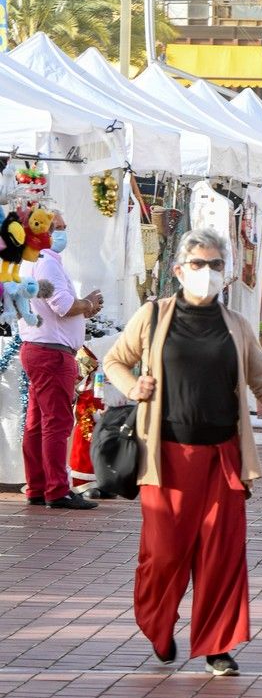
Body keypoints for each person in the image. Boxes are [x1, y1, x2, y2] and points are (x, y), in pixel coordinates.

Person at [103, 228, 262, 675]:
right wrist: (134, 386)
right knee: (164, 555)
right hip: (166, 459)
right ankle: (159, 625)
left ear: (225, 274)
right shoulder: (152, 316)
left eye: (215, 265)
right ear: (178, 270)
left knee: (222, 555)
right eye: (199, 264)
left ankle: (217, 644)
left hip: (223, 457)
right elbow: (114, 360)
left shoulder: (238, 327)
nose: (207, 273)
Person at [18, 210, 104, 510]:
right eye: (57, 227)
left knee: (38, 423)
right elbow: (65, 307)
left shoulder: (31, 261)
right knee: (56, 422)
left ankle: (39, 486)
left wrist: (85, 307)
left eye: (65, 227)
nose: (63, 233)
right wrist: (89, 304)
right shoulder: (46, 264)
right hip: (52, 353)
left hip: (40, 348)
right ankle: (56, 489)